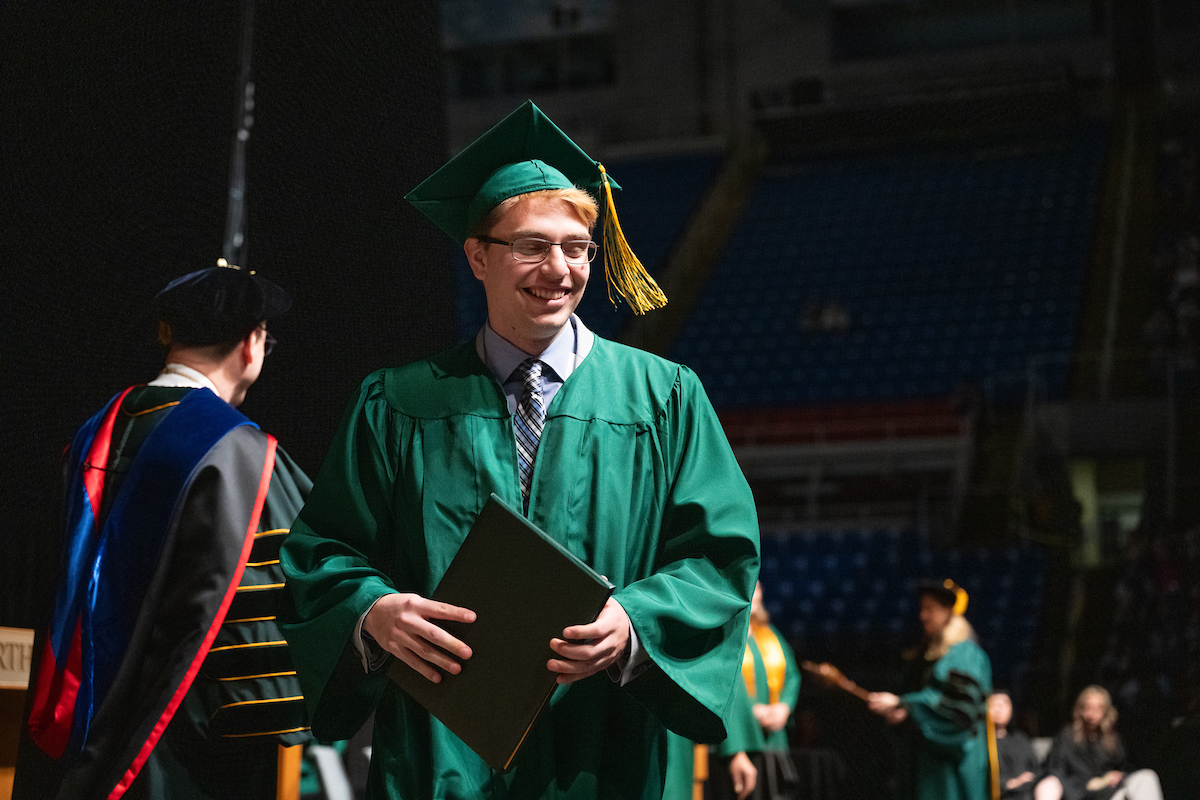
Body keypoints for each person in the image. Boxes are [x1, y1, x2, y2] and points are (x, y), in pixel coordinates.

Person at [279, 100, 760, 799]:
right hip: (441, 746)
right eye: (531, 245)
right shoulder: (400, 402)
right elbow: (323, 552)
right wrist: (373, 612)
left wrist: (633, 622)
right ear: (478, 255)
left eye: (576, 247)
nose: (558, 269)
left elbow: (721, 555)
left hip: (601, 744)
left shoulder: (663, 400)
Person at [15, 262, 312, 800]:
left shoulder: (91, 437)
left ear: (168, 336)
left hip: (67, 735)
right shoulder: (244, 456)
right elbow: (289, 607)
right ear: (252, 345)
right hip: (174, 757)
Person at [867, 579, 992, 800]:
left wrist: (904, 705)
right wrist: (902, 713)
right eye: (922, 608)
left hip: (951, 765)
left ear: (948, 612)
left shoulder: (965, 655)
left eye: (930, 609)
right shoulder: (927, 654)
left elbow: (956, 710)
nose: (922, 616)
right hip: (925, 759)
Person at [1034, 686, 1162, 800]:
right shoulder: (1067, 737)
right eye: (1088, 708)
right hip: (1080, 793)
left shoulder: (1112, 738)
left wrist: (1115, 778)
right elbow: (1056, 772)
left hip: (1112, 793)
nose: (1092, 714)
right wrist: (1092, 783)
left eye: (1098, 709)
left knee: (1147, 777)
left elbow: (1125, 768)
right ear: (1080, 710)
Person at [988, 691, 1039, 800]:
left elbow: (1036, 769)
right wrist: (1010, 783)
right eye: (994, 704)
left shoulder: (1020, 739)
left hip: (1027, 793)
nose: (999, 709)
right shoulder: (981, 744)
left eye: (1004, 704)